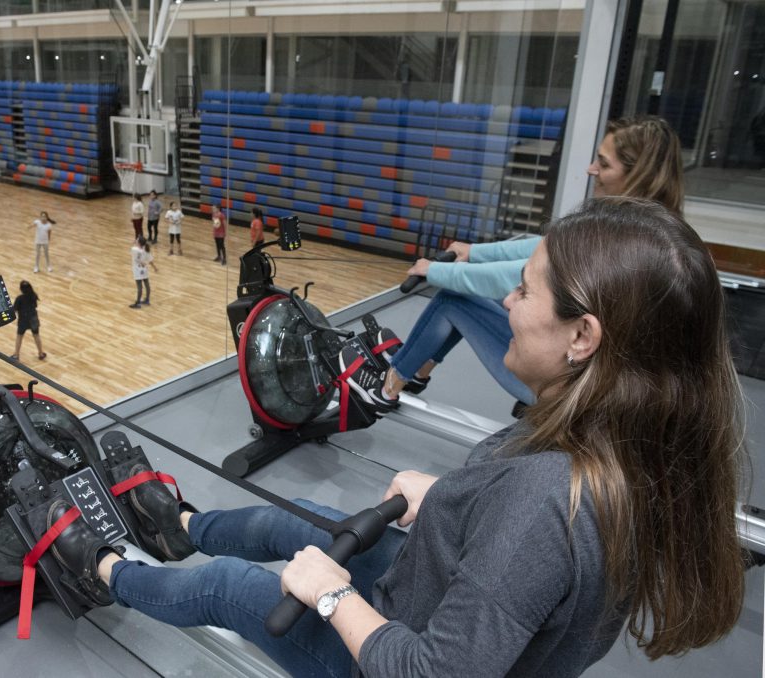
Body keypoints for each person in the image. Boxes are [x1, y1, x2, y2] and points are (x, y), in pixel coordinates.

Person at [44, 198, 746, 677]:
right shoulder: (640, 445)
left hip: (393, 648)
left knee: (231, 587)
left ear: (582, 337)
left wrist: (329, 597)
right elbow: (536, 561)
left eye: (526, 292)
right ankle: (186, 526)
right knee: (292, 523)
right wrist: (447, 498)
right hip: (434, 591)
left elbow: (430, 672)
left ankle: (104, 568)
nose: (507, 302)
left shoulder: (543, 501)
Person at [350, 116, 685, 410]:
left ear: (636, 174)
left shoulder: (616, 241)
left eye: (604, 163)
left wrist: (435, 271)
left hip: (575, 388)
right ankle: (417, 371)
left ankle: (386, 388)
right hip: (598, 374)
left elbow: (518, 275)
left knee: (455, 298)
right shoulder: (646, 229)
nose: (591, 169)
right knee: (471, 296)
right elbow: (544, 247)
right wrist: (475, 252)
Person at [11, 280, 46, 361]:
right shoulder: (34, 295)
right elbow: (35, 306)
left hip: (23, 320)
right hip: (33, 319)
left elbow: (14, 309)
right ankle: (41, 353)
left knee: (19, 337)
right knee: (36, 335)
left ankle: (16, 355)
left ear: (21, 289)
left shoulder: (19, 298)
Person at [129, 235, 156, 309]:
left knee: (139, 286)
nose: (135, 240)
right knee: (147, 284)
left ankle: (137, 303)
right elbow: (150, 260)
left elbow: (133, 248)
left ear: (139, 243)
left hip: (137, 270)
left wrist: (134, 243)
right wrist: (155, 268)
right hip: (144, 269)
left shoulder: (134, 249)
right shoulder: (146, 249)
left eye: (137, 240)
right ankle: (147, 299)